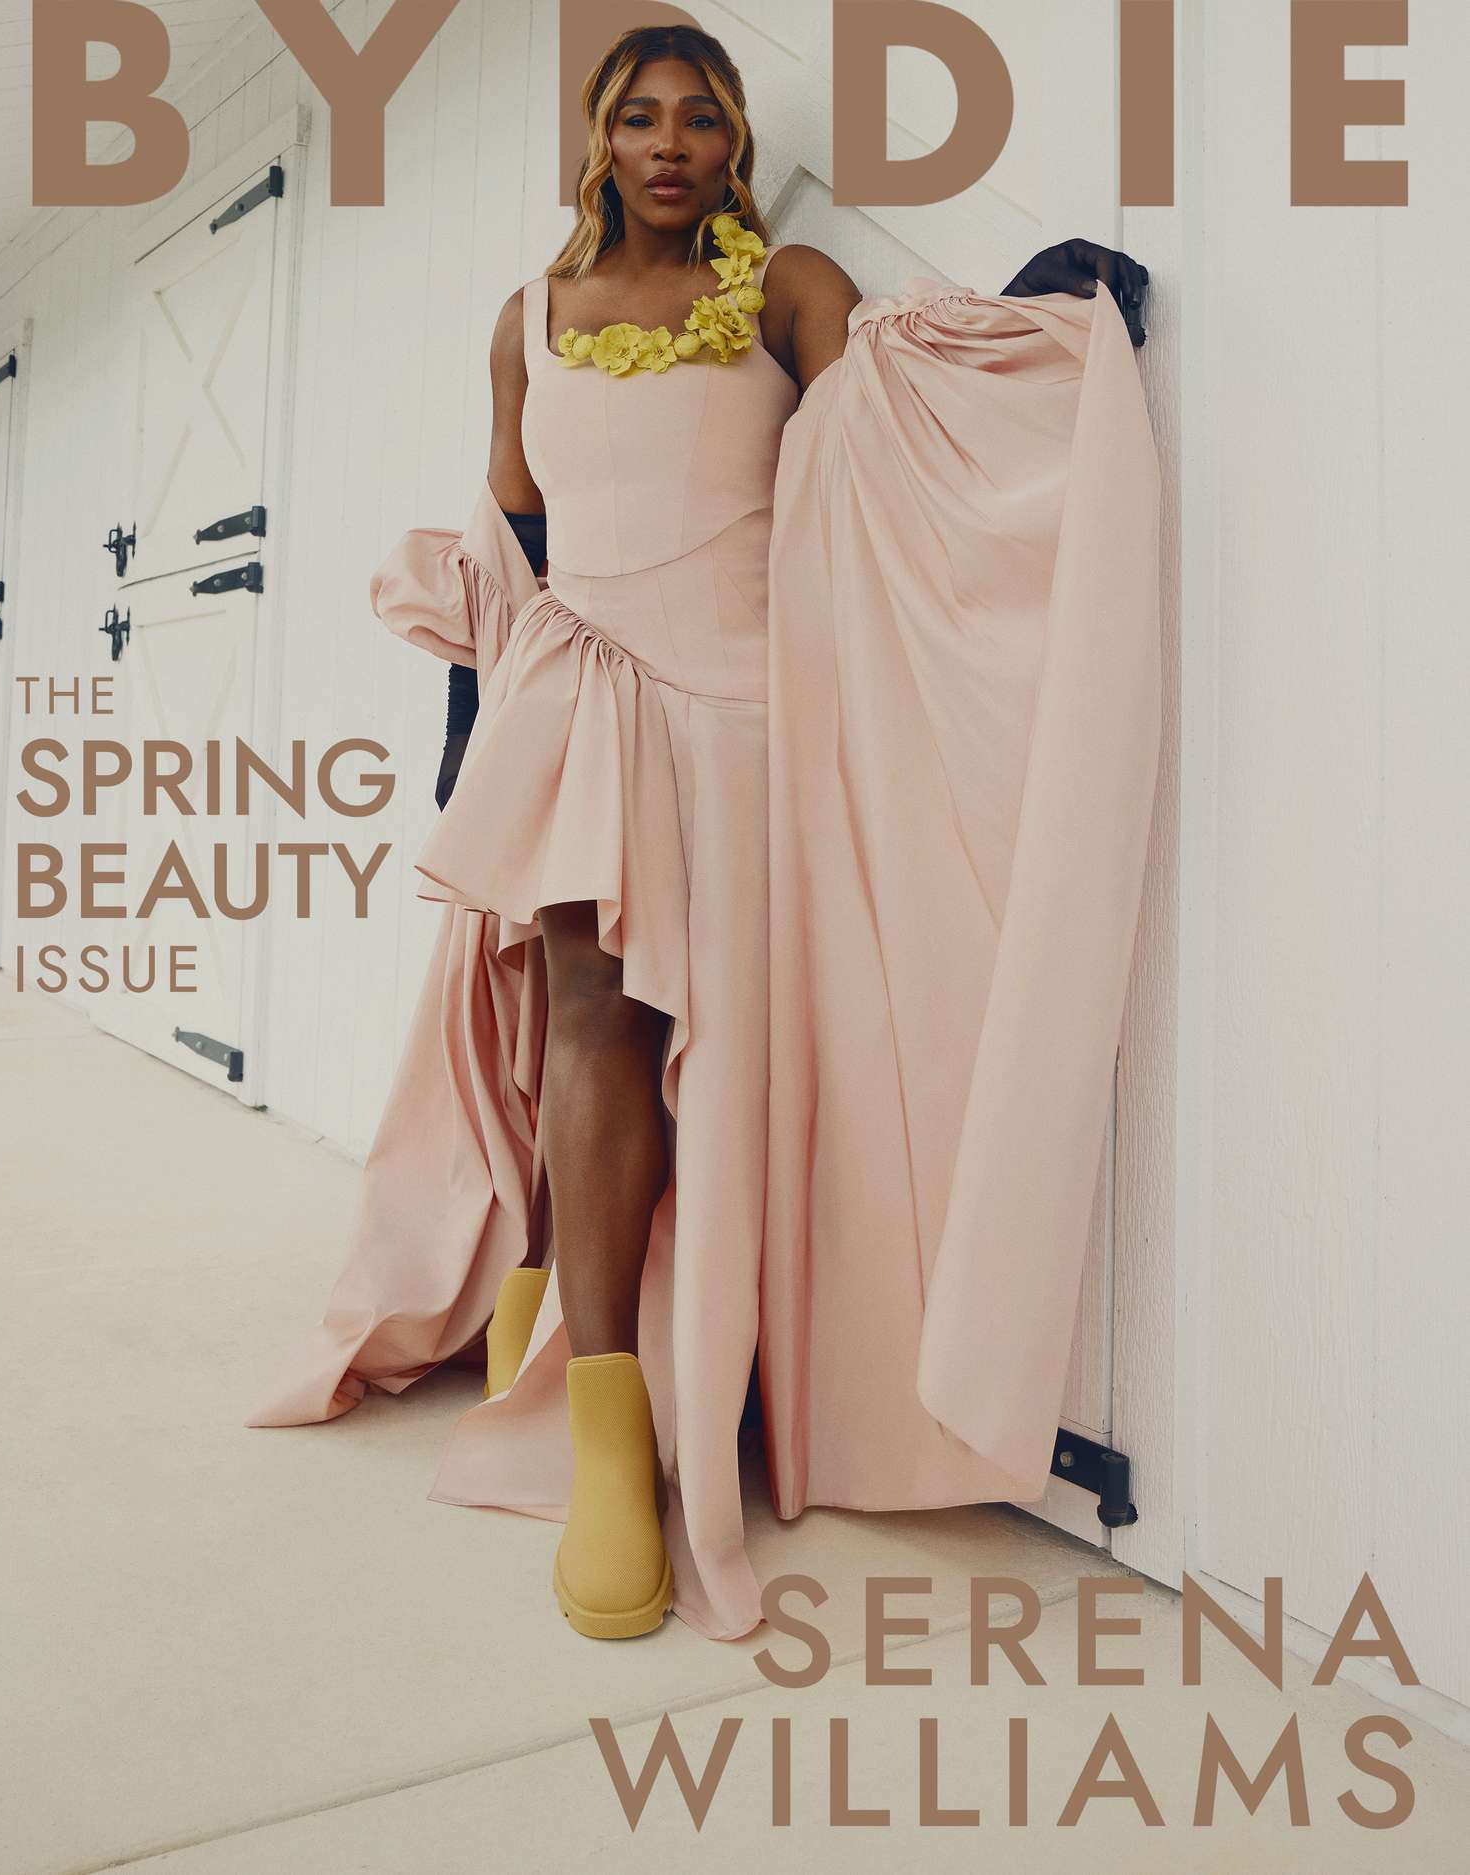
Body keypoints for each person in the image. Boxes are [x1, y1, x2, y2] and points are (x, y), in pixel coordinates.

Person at [248, 23, 1157, 1645]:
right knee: (593, 1024)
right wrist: (476, 746)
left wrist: (1041, 315)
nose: (673, 143)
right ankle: (605, 1442)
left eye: (705, 120)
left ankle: (699, 1364)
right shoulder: (525, 323)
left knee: (721, 1061)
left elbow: (897, 439)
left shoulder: (792, 289)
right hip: (581, 702)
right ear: (600, 142)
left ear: (733, 148)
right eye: (642, 116)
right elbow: (513, 542)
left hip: (740, 725)